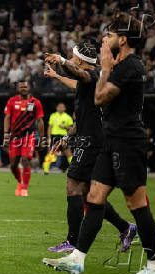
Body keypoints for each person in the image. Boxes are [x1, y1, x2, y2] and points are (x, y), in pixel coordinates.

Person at [42, 12, 155, 274]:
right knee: (94, 197)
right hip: (110, 140)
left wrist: (105, 66)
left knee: (137, 203)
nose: (104, 39)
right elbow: (87, 84)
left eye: (109, 35)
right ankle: (77, 259)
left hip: (127, 141)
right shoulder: (120, 65)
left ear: (122, 39)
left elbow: (98, 97)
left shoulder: (130, 67)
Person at [43, 42, 136, 253]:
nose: (71, 58)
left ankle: (72, 241)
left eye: (73, 56)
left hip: (92, 143)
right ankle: (126, 228)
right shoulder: (87, 83)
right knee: (88, 194)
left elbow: (79, 74)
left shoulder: (93, 76)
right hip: (90, 140)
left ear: (80, 60)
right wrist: (67, 137)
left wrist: (62, 61)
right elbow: (81, 109)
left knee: (73, 186)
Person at [3, 81, 44, 196]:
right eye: (21, 87)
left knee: (25, 160)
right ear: (17, 88)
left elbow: (40, 121)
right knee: (13, 165)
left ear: (29, 87)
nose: (24, 88)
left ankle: (25, 188)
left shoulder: (36, 102)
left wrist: (42, 138)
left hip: (29, 135)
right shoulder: (12, 101)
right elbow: (7, 117)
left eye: (26, 86)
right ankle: (20, 182)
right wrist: (6, 134)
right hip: (15, 136)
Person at [44, 102, 73, 173]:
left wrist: (65, 127)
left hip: (63, 137)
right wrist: (49, 137)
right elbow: (49, 127)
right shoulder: (53, 116)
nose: (60, 108)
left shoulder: (67, 117)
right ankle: (46, 170)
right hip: (54, 136)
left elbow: (72, 128)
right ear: (56, 108)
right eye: (59, 107)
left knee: (68, 153)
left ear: (65, 108)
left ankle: (73, 169)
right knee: (50, 152)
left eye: (62, 107)